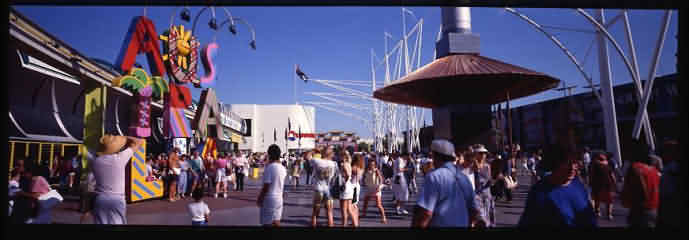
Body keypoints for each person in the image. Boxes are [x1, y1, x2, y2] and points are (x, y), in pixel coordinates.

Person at [518, 144, 597, 227]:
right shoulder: (539, 192)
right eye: (567, 163)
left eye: (575, 162)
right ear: (555, 164)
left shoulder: (578, 185)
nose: (572, 167)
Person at [411, 139, 478, 228]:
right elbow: (474, 211)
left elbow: (426, 213)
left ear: (436, 156)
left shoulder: (434, 177)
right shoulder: (464, 178)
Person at [91, 135, 144, 224]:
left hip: (100, 198)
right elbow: (140, 141)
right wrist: (125, 137)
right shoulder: (119, 158)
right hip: (116, 198)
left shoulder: (95, 161)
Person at [621, 142, 660, 228]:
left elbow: (628, 192)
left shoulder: (634, 168)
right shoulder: (654, 170)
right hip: (654, 210)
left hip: (640, 211)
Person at [256, 144, 287, 227]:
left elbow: (266, 186)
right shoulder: (283, 168)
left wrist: (260, 198)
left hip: (270, 198)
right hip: (279, 198)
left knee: (267, 223)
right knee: (276, 222)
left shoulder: (270, 168)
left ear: (269, 154)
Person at [308, 148, 337, 227]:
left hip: (318, 189)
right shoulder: (333, 164)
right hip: (328, 189)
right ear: (331, 154)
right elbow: (335, 177)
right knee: (329, 212)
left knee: (315, 213)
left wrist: (313, 150)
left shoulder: (317, 161)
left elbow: (307, 157)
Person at [470, 144, 496, 228]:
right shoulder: (471, 166)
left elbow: (490, 180)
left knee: (489, 218)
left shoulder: (487, 166)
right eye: (480, 153)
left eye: (484, 153)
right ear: (475, 154)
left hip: (487, 194)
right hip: (476, 196)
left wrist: (493, 180)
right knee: (481, 220)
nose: (483, 155)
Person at [657, 140, 681, 228]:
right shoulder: (668, 166)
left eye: (666, 151)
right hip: (664, 200)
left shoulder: (674, 167)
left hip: (669, 201)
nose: (663, 153)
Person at [589, 152, 616, 220]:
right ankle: (609, 214)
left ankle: (597, 212)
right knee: (609, 200)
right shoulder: (607, 164)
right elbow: (612, 175)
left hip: (597, 184)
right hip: (607, 184)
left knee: (597, 198)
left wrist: (590, 182)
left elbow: (592, 174)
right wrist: (614, 183)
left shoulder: (593, 164)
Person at [361, 156, 387, 224]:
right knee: (365, 203)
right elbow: (364, 177)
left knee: (378, 204)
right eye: (370, 164)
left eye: (373, 164)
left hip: (376, 189)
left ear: (375, 164)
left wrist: (379, 186)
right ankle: (363, 214)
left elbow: (381, 179)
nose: (371, 165)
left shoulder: (376, 170)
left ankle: (383, 217)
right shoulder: (366, 170)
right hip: (368, 188)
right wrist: (363, 183)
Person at [338, 152, 358, 227]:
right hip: (349, 186)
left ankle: (344, 224)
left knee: (343, 209)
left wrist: (344, 182)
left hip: (345, 186)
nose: (339, 158)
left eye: (341, 156)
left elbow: (347, 174)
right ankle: (354, 223)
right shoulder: (349, 164)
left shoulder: (344, 164)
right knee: (349, 208)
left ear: (344, 157)